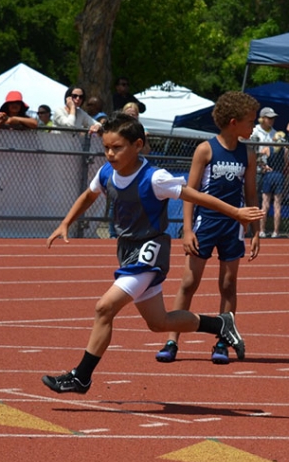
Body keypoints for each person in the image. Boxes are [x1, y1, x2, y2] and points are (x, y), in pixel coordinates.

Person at [41, 112, 263, 394]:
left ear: (138, 144)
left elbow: (195, 195)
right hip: (127, 249)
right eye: (106, 147)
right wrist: (65, 222)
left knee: (104, 307)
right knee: (159, 323)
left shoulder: (155, 177)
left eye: (117, 147)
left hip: (150, 251)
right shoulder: (107, 172)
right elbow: (89, 194)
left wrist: (235, 212)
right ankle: (220, 324)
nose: (110, 153)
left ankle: (81, 376)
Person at [156, 91, 261, 365]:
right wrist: (187, 229)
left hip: (233, 227)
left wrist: (256, 231)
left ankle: (223, 342)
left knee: (228, 285)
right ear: (233, 122)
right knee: (189, 282)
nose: (254, 126)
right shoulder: (206, 149)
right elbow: (189, 192)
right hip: (206, 223)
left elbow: (251, 197)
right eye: (251, 121)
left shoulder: (247, 154)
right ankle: (172, 339)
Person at [260, 131, 288, 238]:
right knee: (277, 204)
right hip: (279, 175)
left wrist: (265, 166)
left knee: (265, 204)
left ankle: (262, 230)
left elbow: (259, 158)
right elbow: (286, 164)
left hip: (269, 174)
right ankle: (275, 232)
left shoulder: (267, 149)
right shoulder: (285, 150)